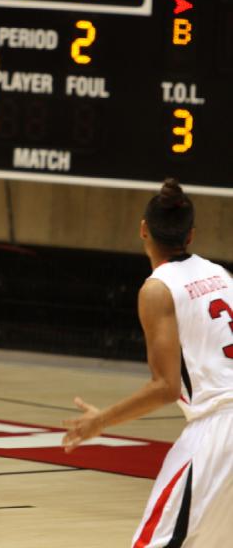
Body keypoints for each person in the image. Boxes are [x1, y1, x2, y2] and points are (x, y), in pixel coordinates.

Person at [62, 178, 233, 548]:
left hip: (217, 431)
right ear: (190, 236)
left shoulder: (158, 289)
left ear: (143, 229)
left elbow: (165, 387)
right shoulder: (220, 274)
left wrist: (101, 420)